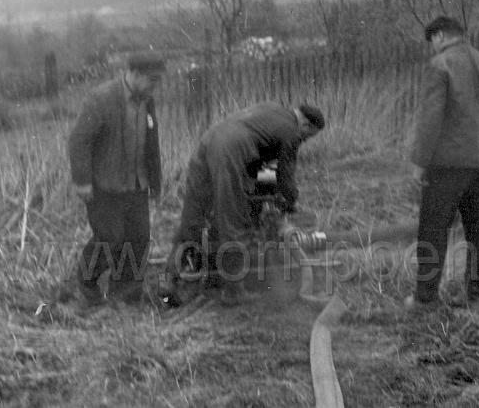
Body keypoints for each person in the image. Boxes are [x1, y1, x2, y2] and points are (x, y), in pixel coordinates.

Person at [166, 101, 325, 306]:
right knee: (232, 222)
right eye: (308, 137)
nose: (304, 140)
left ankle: (171, 281)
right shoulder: (291, 131)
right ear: (306, 126)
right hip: (230, 154)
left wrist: (265, 195)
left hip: (207, 144)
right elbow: (285, 175)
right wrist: (289, 202)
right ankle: (234, 291)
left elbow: (266, 166)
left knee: (193, 217)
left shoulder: (272, 111)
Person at [406, 16, 479, 310]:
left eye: (432, 42)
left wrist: (419, 163)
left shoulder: (440, 66)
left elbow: (430, 121)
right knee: (478, 233)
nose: (432, 48)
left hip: (447, 168)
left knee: (433, 230)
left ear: (439, 36)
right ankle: (476, 297)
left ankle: (425, 299)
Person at [68, 51, 166, 307]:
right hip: (104, 186)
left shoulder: (147, 101)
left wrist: (155, 183)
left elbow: (151, 143)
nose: (154, 87)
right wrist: (82, 180)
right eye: (151, 81)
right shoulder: (101, 99)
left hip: (137, 184)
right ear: (134, 74)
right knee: (110, 238)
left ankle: (125, 295)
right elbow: (79, 140)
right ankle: (85, 283)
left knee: (138, 238)